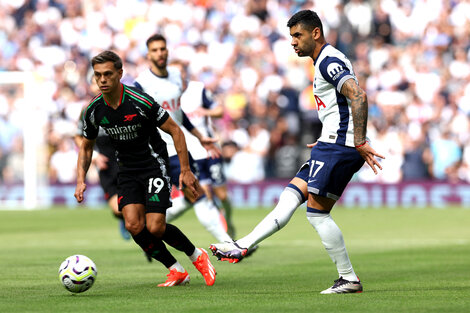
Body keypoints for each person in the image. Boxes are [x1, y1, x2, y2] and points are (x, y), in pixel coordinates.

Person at [210, 10, 384, 294]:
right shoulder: (325, 61)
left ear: (315, 33)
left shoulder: (329, 60)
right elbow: (339, 106)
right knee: (290, 196)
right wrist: (328, 135)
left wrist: (358, 140)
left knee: (316, 214)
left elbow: (358, 95)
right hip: (331, 142)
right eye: (291, 36)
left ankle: (349, 278)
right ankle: (242, 245)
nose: (293, 42)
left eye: (297, 35)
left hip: (340, 146)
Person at [75, 50, 216, 287]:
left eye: (108, 74)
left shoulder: (140, 101)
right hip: (127, 170)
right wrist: (81, 180)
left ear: (120, 73)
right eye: (98, 75)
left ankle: (197, 256)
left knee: (155, 227)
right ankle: (175, 270)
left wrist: (185, 170)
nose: (102, 80)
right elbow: (86, 147)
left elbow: (175, 130)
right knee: (132, 224)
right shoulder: (94, 110)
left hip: (154, 165)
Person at [133, 34, 233, 244]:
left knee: (195, 194)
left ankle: (227, 244)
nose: (160, 53)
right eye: (155, 50)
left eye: (163, 48)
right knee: (194, 195)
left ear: (167, 51)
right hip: (156, 152)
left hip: (178, 149)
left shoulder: (177, 77)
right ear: (148, 54)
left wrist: (199, 136)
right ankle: (228, 244)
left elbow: (178, 114)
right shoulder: (141, 84)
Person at [168, 60, 236, 238]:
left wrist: (206, 112)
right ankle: (226, 237)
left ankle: (228, 221)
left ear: (185, 73)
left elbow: (219, 111)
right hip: (190, 154)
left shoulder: (198, 89)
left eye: (180, 72)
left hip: (209, 150)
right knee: (204, 194)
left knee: (222, 194)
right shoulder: (168, 96)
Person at [75, 102, 130, 240]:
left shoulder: (124, 104)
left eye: (105, 78)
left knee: (134, 207)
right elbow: (78, 137)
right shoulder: (88, 109)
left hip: (128, 163)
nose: (102, 80)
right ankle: (124, 220)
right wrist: (95, 155)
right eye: (96, 80)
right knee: (118, 210)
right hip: (106, 167)